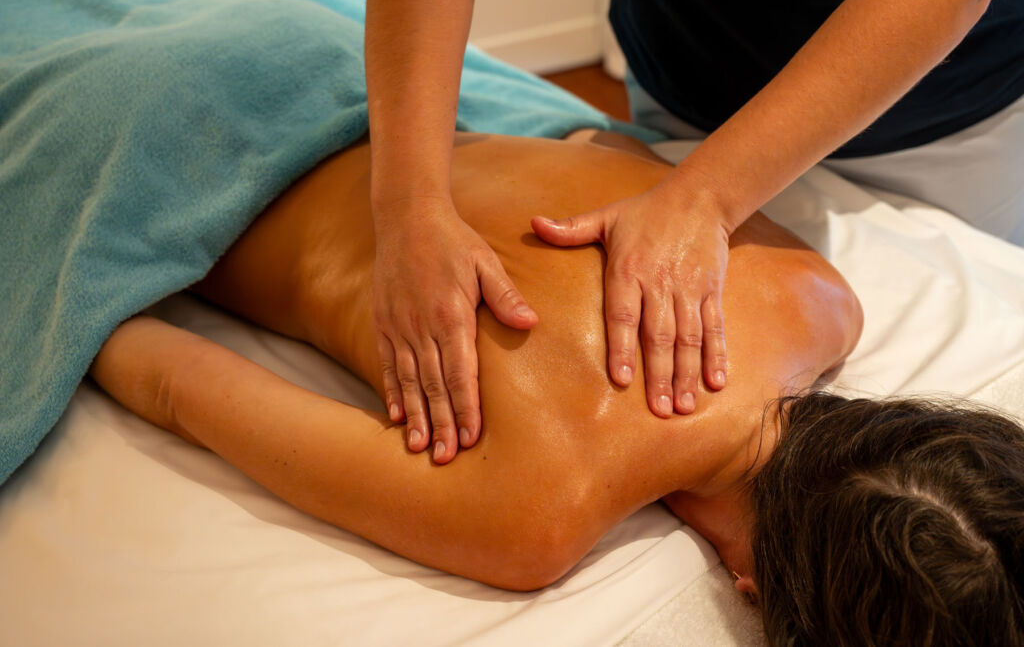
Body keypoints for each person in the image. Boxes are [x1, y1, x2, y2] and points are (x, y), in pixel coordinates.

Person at [89, 127, 1024, 644]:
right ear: (757, 589)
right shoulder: (536, 515)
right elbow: (168, 382)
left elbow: (600, 137)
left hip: (330, 85)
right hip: (173, 156)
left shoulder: (823, 298)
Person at [363, 0, 1024, 462]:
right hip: (685, 80)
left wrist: (706, 196)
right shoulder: (833, 310)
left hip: (944, 114)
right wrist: (407, 205)